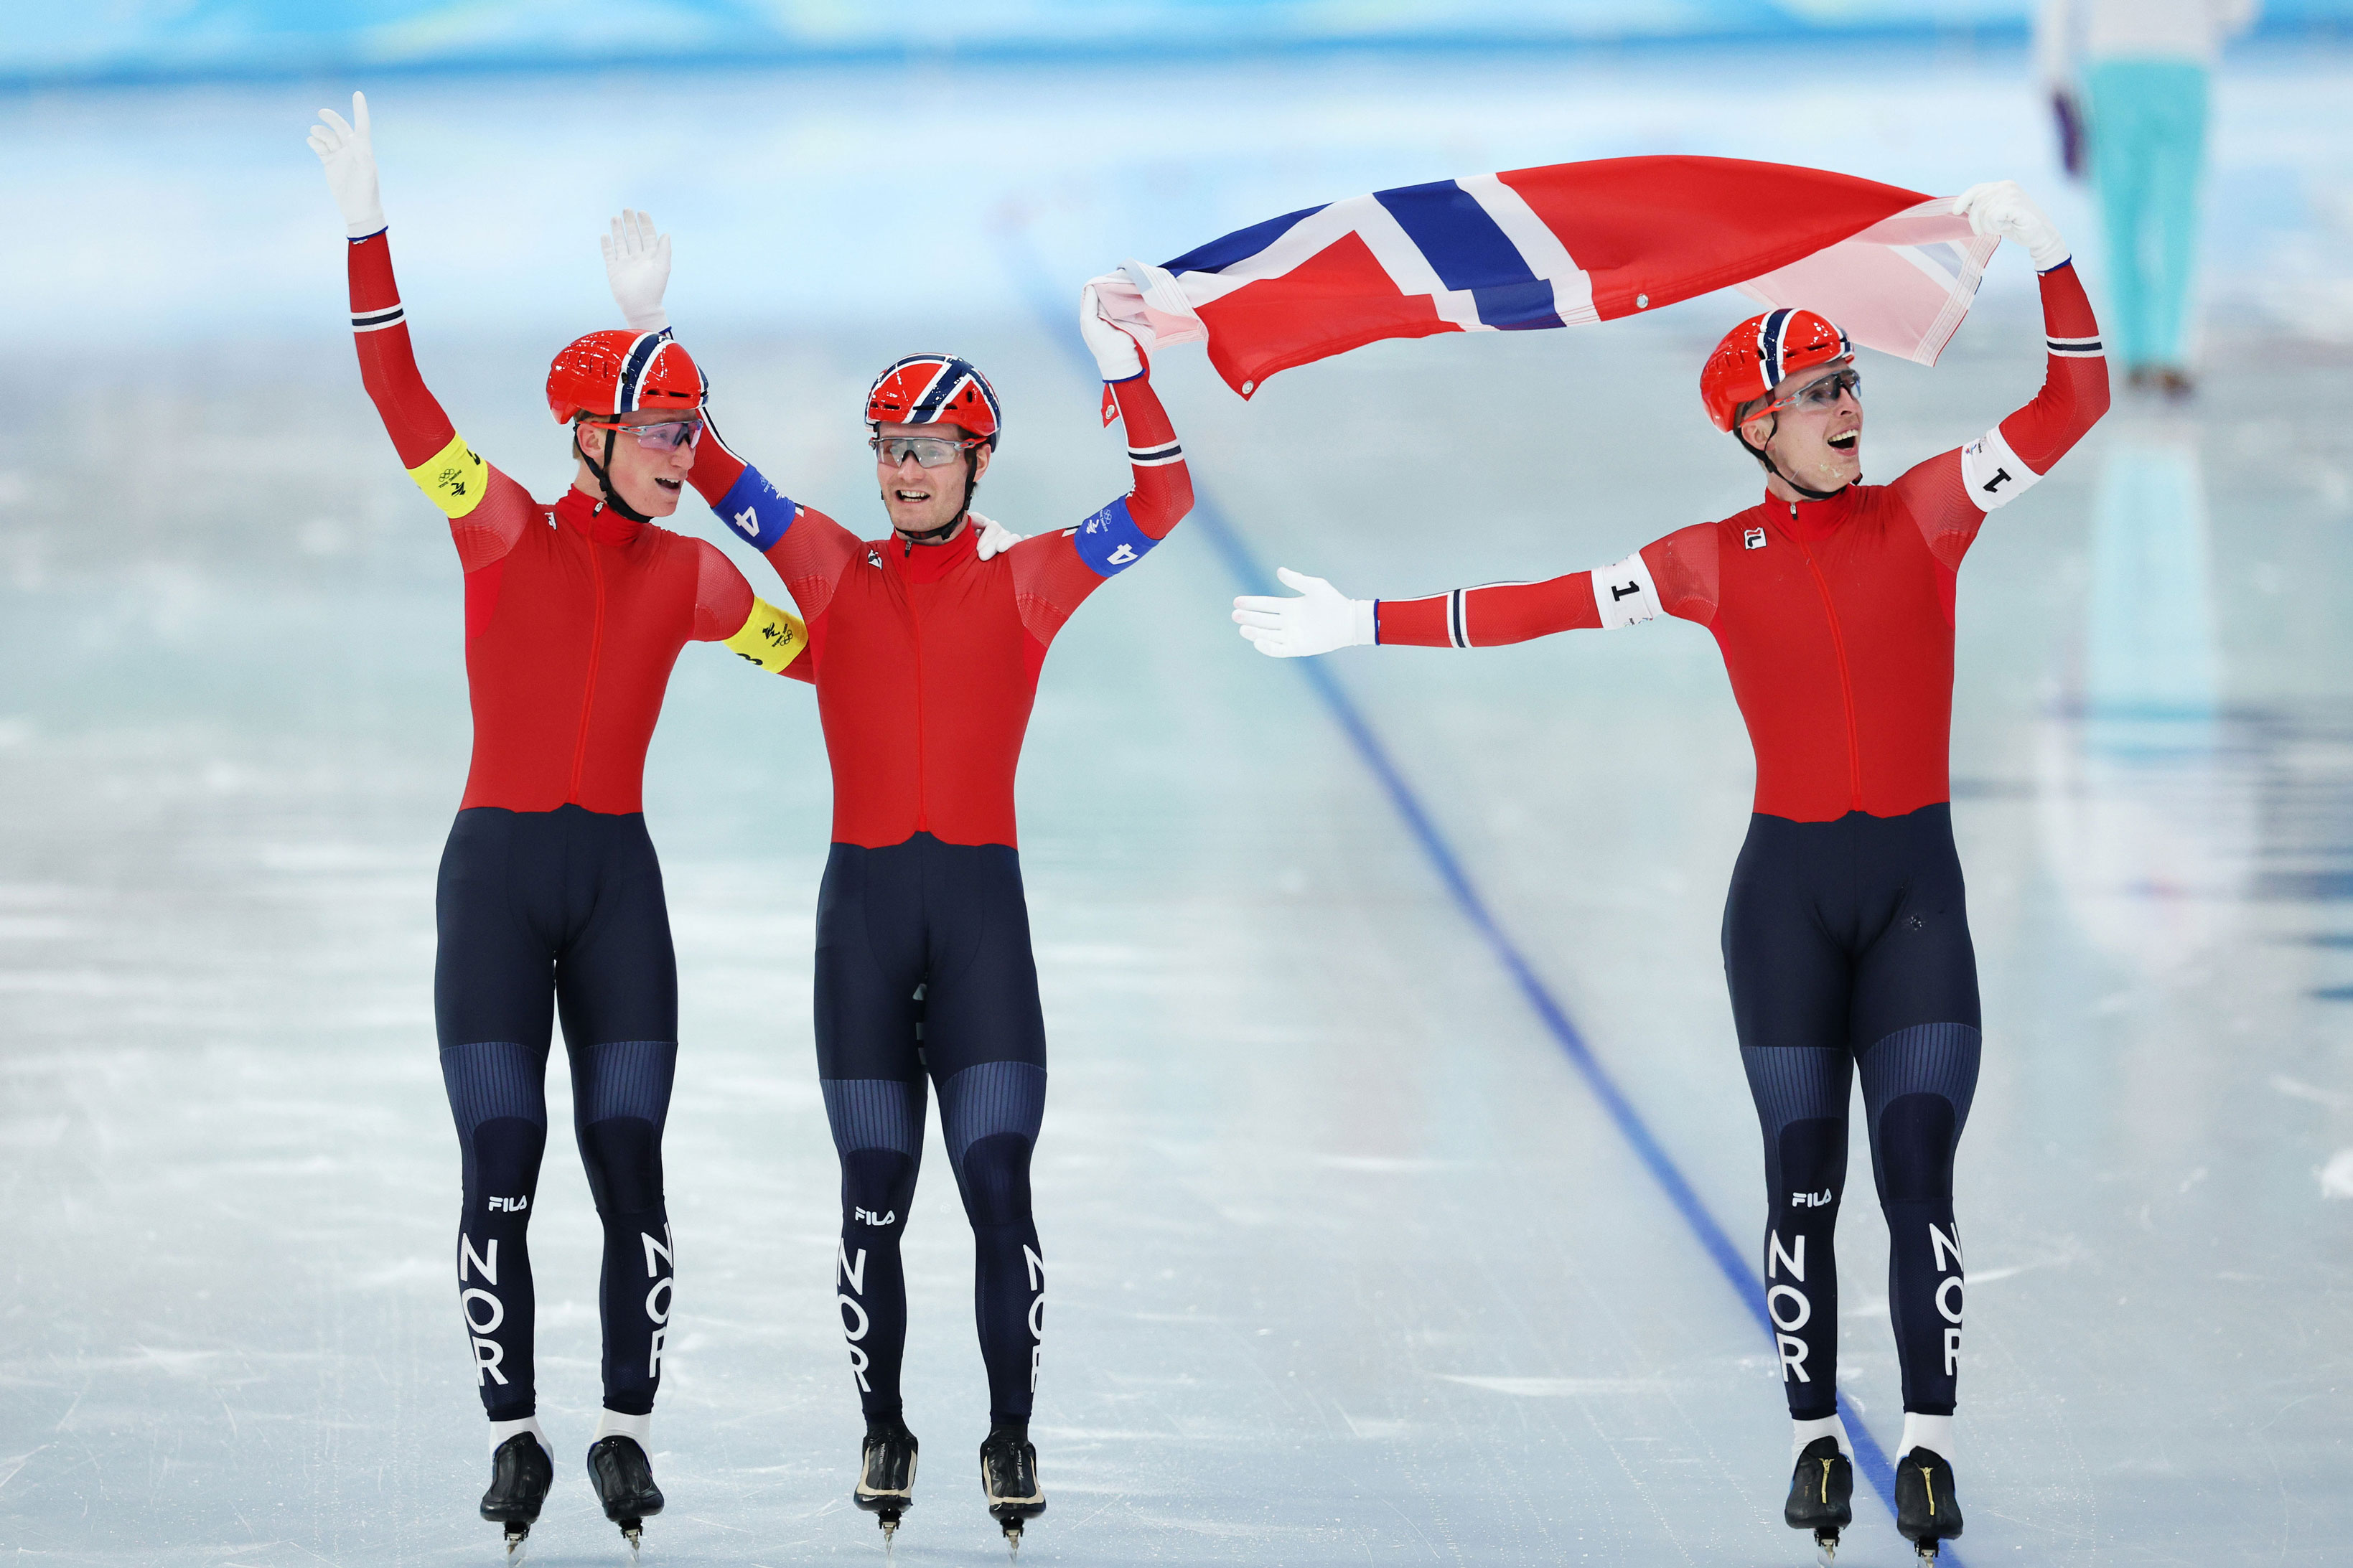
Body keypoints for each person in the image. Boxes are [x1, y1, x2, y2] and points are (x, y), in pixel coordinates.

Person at [1227, 180, 2108, 1564]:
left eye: (1847, 382)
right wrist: (1362, 622)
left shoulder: (1933, 512)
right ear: (1755, 426)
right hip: (1785, 914)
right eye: (1817, 391)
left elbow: (2073, 407)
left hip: (1914, 901)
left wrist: (2051, 263)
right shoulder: (1708, 560)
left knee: (1918, 1172)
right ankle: (1816, 1440)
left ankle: (1926, 1448)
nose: (1847, 406)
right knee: (1802, 1182)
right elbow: (1540, 604)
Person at [598, 215, 1193, 1551]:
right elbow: (706, 470)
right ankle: (883, 1419)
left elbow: (1164, 505)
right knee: (873, 1198)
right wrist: (646, 332)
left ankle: (1007, 1430)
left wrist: (1128, 374)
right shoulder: (824, 562)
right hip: (862, 920)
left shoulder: (1031, 581)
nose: (904, 469)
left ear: (978, 461)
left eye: (927, 449)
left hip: (979, 918)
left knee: (996, 1189)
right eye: (887, 448)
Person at [307, 96, 811, 1561]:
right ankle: (509, 1431)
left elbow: (830, 653)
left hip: (616, 892)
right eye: (663, 426)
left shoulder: (701, 582)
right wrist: (364, 229)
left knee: (630, 1164)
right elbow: (399, 392)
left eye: (692, 427)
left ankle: (626, 1435)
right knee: (504, 1165)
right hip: (500, 880)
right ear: (589, 436)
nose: (684, 449)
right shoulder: (497, 525)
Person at [2036, 0, 2260, 397]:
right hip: (2183, 61)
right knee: (2179, 216)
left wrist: (2055, 80)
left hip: (2113, 62)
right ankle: (2173, 354)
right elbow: (2237, 12)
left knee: (2117, 216)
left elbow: (2059, 11)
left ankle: (2134, 354)